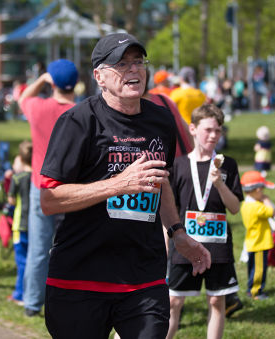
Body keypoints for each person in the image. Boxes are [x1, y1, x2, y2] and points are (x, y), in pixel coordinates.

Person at [39, 33, 211, 338]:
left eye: (138, 62)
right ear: (99, 76)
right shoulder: (79, 121)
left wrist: (177, 232)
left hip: (143, 276)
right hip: (81, 277)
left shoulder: (161, 120)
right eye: (121, 64)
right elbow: (50, 199)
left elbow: (162, 181)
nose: (133, 70)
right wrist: (117, 184)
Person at [167, 104, 243, 339]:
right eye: (208, 130)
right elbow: (170, 211)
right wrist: (166, 245)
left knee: (215, 301)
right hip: (185, 245)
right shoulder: (179, 165)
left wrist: (219, 183)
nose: (213, 136)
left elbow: (234, 208)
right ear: (192, 128)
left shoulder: (227, 164)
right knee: (173, 302)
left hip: (217, 245)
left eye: (218, 131)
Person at [18, 58, 78, 317]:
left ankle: (32, 302)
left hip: (40, 185)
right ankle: (69, 300)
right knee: (70, 248)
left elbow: (22, 98)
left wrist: (42, 79)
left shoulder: (38, 107)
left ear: (52, 83)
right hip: (72, 187)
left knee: (39, 249)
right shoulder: (79, 113)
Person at [240, 170, 275, 301]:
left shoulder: (246, 205)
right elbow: (271, 211)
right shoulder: (256, 207)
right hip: (259, 243)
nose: (264, 194)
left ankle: (252, 288)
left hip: (252, 242)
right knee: (259, 270)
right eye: (262, 190)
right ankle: (256, 291)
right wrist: (266, 200)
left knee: (253, 268)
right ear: (257, 189)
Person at [6, 141, 33, 306]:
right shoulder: (38, 177)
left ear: (21, 160)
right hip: (35, 225)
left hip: (20, 225)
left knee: (21, 261)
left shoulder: (17, 178)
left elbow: (11, 201)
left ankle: (20, 294)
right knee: (34, 260)